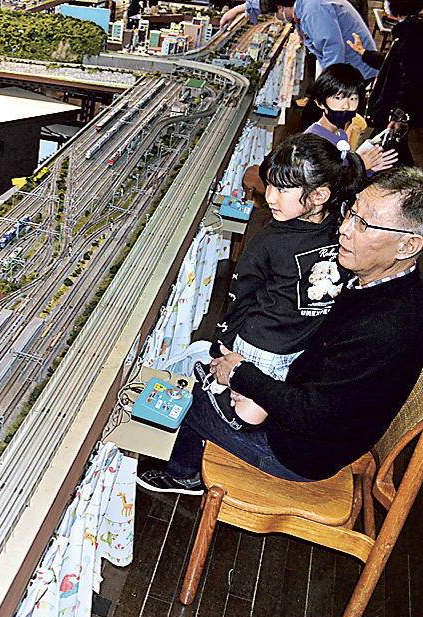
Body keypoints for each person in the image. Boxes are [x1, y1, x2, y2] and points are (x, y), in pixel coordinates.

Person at [139, 167, 423, 494]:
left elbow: (309, 414)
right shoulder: (379, 283)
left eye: (364, 224)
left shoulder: (387, 327)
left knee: (181, 390)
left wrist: (243, 376)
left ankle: (182, 475)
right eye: (351, 212)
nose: (345, 229)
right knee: (210, 360)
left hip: (294, 452)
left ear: (408, 246)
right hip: (304, 414)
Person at [198, 133, 366, 429]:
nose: (270, 197)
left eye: (282, 189)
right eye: (270, 185)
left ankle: (219, 389)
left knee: (265, 409)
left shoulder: (340, 229)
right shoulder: (270, 240)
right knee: (249, 417)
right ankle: (218, 389)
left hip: (303, 346)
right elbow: (241, 296)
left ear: (319, 196)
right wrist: (222, 345)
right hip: (263, 347)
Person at [348, 0, 423, 165]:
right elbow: (394, 63)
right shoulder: (410, 30)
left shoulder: (413, 33)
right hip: (395, 112)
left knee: (388, 153)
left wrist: (399, 115)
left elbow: (410, 79)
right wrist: (364, 53)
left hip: (395, 113)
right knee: (391, 153)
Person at [302, 63, 399, 172]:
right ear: (320, 103)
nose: (346, 106)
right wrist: (360, 166)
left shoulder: (341, 133)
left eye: (353, 99)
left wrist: (369, 170)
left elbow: (345, 174)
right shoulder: (313, 140)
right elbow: (324, 181)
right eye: (338, 98)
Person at [263, 0, 378, 81]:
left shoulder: (313, 9)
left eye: (274, 14)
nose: (276, 17)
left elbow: (332, 48)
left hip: (357, 68)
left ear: (280, 8)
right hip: (350, 64)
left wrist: (328, 83)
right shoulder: (306, 6)